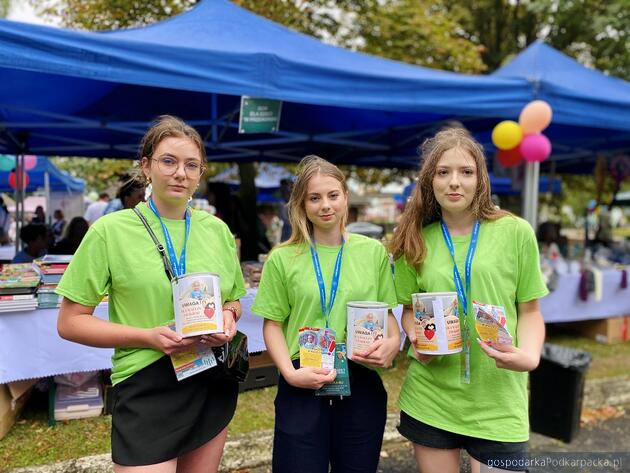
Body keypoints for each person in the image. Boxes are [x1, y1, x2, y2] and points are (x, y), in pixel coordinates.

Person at [56, 115, 246, 473]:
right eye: (169, 161)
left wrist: (229, 315)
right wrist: (148, 337)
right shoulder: (110, 231)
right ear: (146, 166)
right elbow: (69, 323)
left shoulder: (217, 230)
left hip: (209, 376)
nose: (180, 173)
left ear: (201, 173)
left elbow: (233, 298)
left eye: (192, 165)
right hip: (147, 382)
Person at [389, 127, 547, 473]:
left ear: (481, 179)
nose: (454, 182)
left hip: (499, 398)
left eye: (466, 172)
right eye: (443, 173)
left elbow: (531, 310)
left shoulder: (515, 232)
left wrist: (530, 356)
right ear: (429, 181)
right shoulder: (415, 239)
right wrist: (415, 333)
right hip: (431, 396)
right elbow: (407, 309)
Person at [252, 155, 400, 473]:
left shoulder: (372, 252)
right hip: (302, 380)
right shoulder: (283, 259)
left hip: (359, 381)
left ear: (345, 197)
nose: (325, 205)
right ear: (302, 205)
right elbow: (273, 325)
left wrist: (394, 342)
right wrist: (289, 375)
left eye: (333, 195)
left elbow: (387, 316)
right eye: (314, 198)